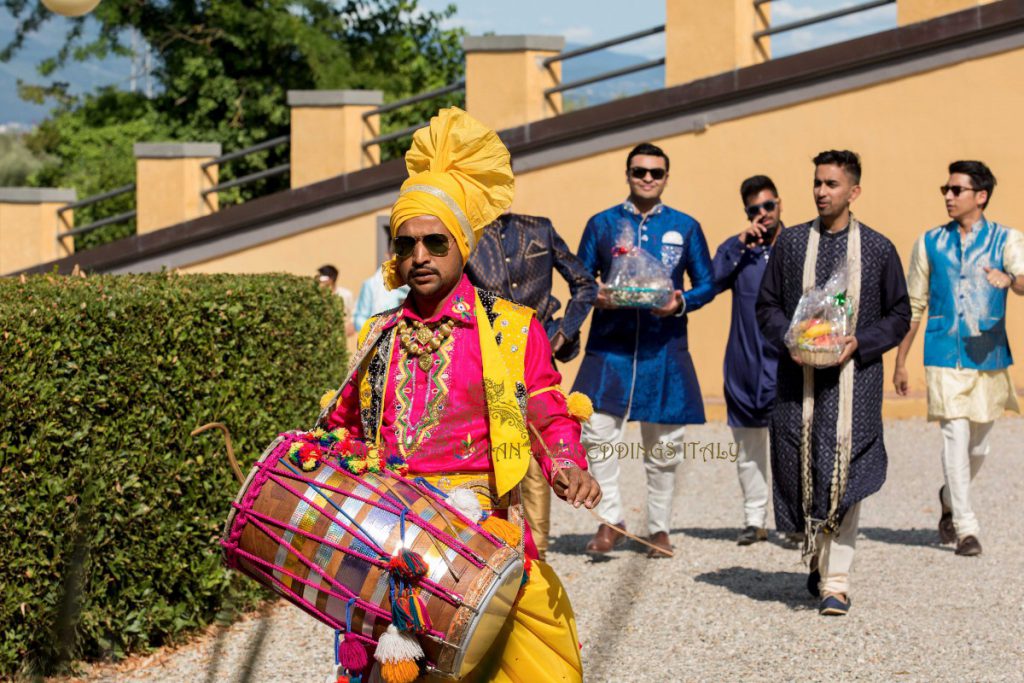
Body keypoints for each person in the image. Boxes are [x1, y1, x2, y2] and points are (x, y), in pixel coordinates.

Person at [324, 107, 600, 682]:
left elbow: (543, 411)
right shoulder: (379, 336)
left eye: (435, 242)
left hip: (477, 542)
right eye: (407, 244)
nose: (420, 255)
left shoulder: (509, 330)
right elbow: (343, 429)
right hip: (386, 544)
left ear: (463, 245)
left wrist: (567, 464)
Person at [756, 150, 910, 616]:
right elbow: (765, 307)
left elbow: (899, 314)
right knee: (801, 468)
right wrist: (792, 336)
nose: (822, 192)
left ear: (854, 191)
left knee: (846, 470)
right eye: (818, 183)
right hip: (796, 379)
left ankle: (836, 581)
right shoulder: (791, 244)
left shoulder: (879, 249)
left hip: (853, 382)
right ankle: (819, 557)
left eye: (832, 184)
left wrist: (858, 342)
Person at [574, 142, 716, 558]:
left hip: (664, 349)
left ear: (666, 177)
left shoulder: (685, 226)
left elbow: (708, 282)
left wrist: (680, 301)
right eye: (640, 171)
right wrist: (593, 293)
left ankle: (659, 529)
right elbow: (580, 275)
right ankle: (612, 519)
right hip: (610, 347)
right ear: (628, 174)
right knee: (596, 432)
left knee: (665, 446)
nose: (648, 178)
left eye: (656, 172)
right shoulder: (601, 224)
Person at [893, 160, 1024, 557]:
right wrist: (900, 361)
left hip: (988, 353)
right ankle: (967, 529)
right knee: (955, 435)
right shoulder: (929, 242)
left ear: (980, 196)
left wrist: (1010, 280)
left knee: (979, 448)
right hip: (942, 352)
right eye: (945, 190)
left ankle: (949, 497)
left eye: (956, 190)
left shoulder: (1007, 239)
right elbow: (913, 304)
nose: (948, 197)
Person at [466, 211, 598, 560]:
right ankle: (492, 543)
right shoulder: (465, 233)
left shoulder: (539, 228)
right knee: (495, 448)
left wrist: (564, 332)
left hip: (537, 354)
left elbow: (585, 284)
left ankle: (536, 552)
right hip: (486, 358)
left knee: (540, 446)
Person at [712, 175, 797, 547]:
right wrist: (737, 244)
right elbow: (710, 281)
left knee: (790, 447)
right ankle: (754, 519)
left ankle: (792, 522)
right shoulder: (739, 251)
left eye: (768, 206)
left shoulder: (798, 246)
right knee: (748, 449)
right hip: (745, 363)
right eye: (754, 209)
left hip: (788, 363)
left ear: (780, 204)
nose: (763, 214)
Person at [353, 227, 410, 330]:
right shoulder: (371, 284)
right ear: (387, 255)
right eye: (394, 253)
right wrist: (376, 332)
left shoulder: (417, 281)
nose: (397, 258)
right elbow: (360, 318)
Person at [318, 264, 357, 337]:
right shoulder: (317, 295)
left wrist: (351, 325)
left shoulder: (346, 294)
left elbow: (354, 312)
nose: (320, 279)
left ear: (331, 278)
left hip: (341, 335)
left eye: (322, 276)